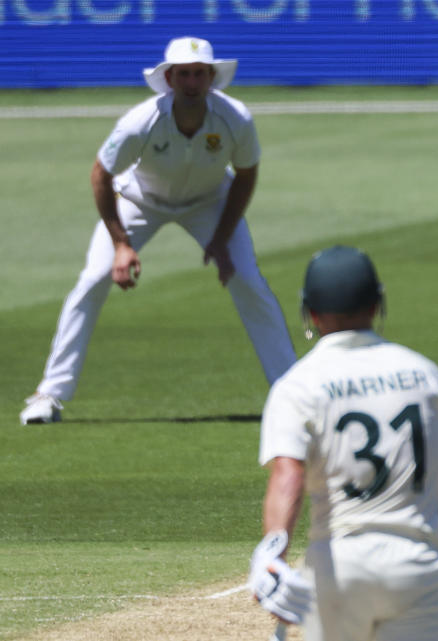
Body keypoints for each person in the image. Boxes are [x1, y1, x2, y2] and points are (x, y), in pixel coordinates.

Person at [19, 36, 297, 425]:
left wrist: (221, 238)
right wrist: (121, 244)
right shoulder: (140, 122)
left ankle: (292, 396)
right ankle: (49, 395)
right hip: (140, 201)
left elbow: (246, 176)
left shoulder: (236, 119)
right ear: (169, 78)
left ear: (211, 77)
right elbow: (101, 175)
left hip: (209, 203)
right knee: (93, 279)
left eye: (199, 74)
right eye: (183, 74)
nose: (192, 82)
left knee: (248, 280)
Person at [249, 245, 438, 641]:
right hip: (418, 565)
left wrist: (272, 551)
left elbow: (288, 475)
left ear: (312, 313)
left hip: (340, 567)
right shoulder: (423, 373)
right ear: (376, 304)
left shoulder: (297, 385)